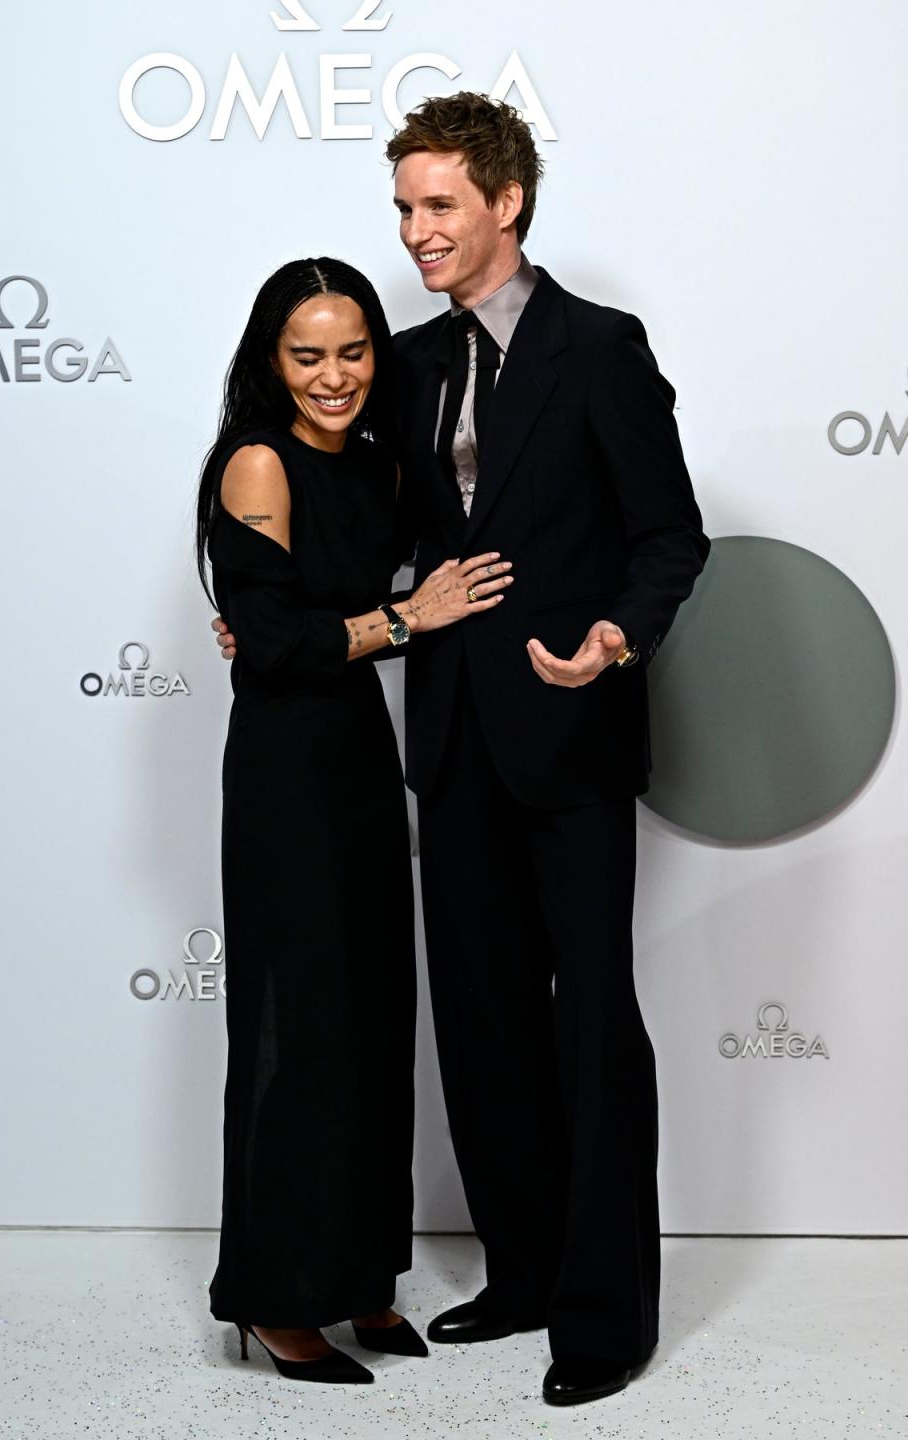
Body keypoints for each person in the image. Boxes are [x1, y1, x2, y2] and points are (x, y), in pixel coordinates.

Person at [214, 94, 710, 1408]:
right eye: (402, 208)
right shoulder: (410, 364)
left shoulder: (603, 348)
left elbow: (671, 537)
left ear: (508, 202)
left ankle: (604, 1314)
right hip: (449, 744)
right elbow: (347, 515)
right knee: (484, 1027)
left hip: (578, 735)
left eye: (437, 205)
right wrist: (270, 613)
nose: (415, 231)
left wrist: (615, 636)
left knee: (593, 1024)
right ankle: (527, 1271)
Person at [198, 256, 513, 1387]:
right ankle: (279, 1297)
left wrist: (379, 620)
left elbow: (312, 620)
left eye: (353, 351)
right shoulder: (256, 466)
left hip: (362, 765)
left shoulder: (382, 471)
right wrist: (396, 619)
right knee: (300, 1027)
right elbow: (271, 650)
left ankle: (361, 1277)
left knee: (375, 1017)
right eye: (306, 354)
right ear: (269, 362)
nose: (333, 375)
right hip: (287, 771)